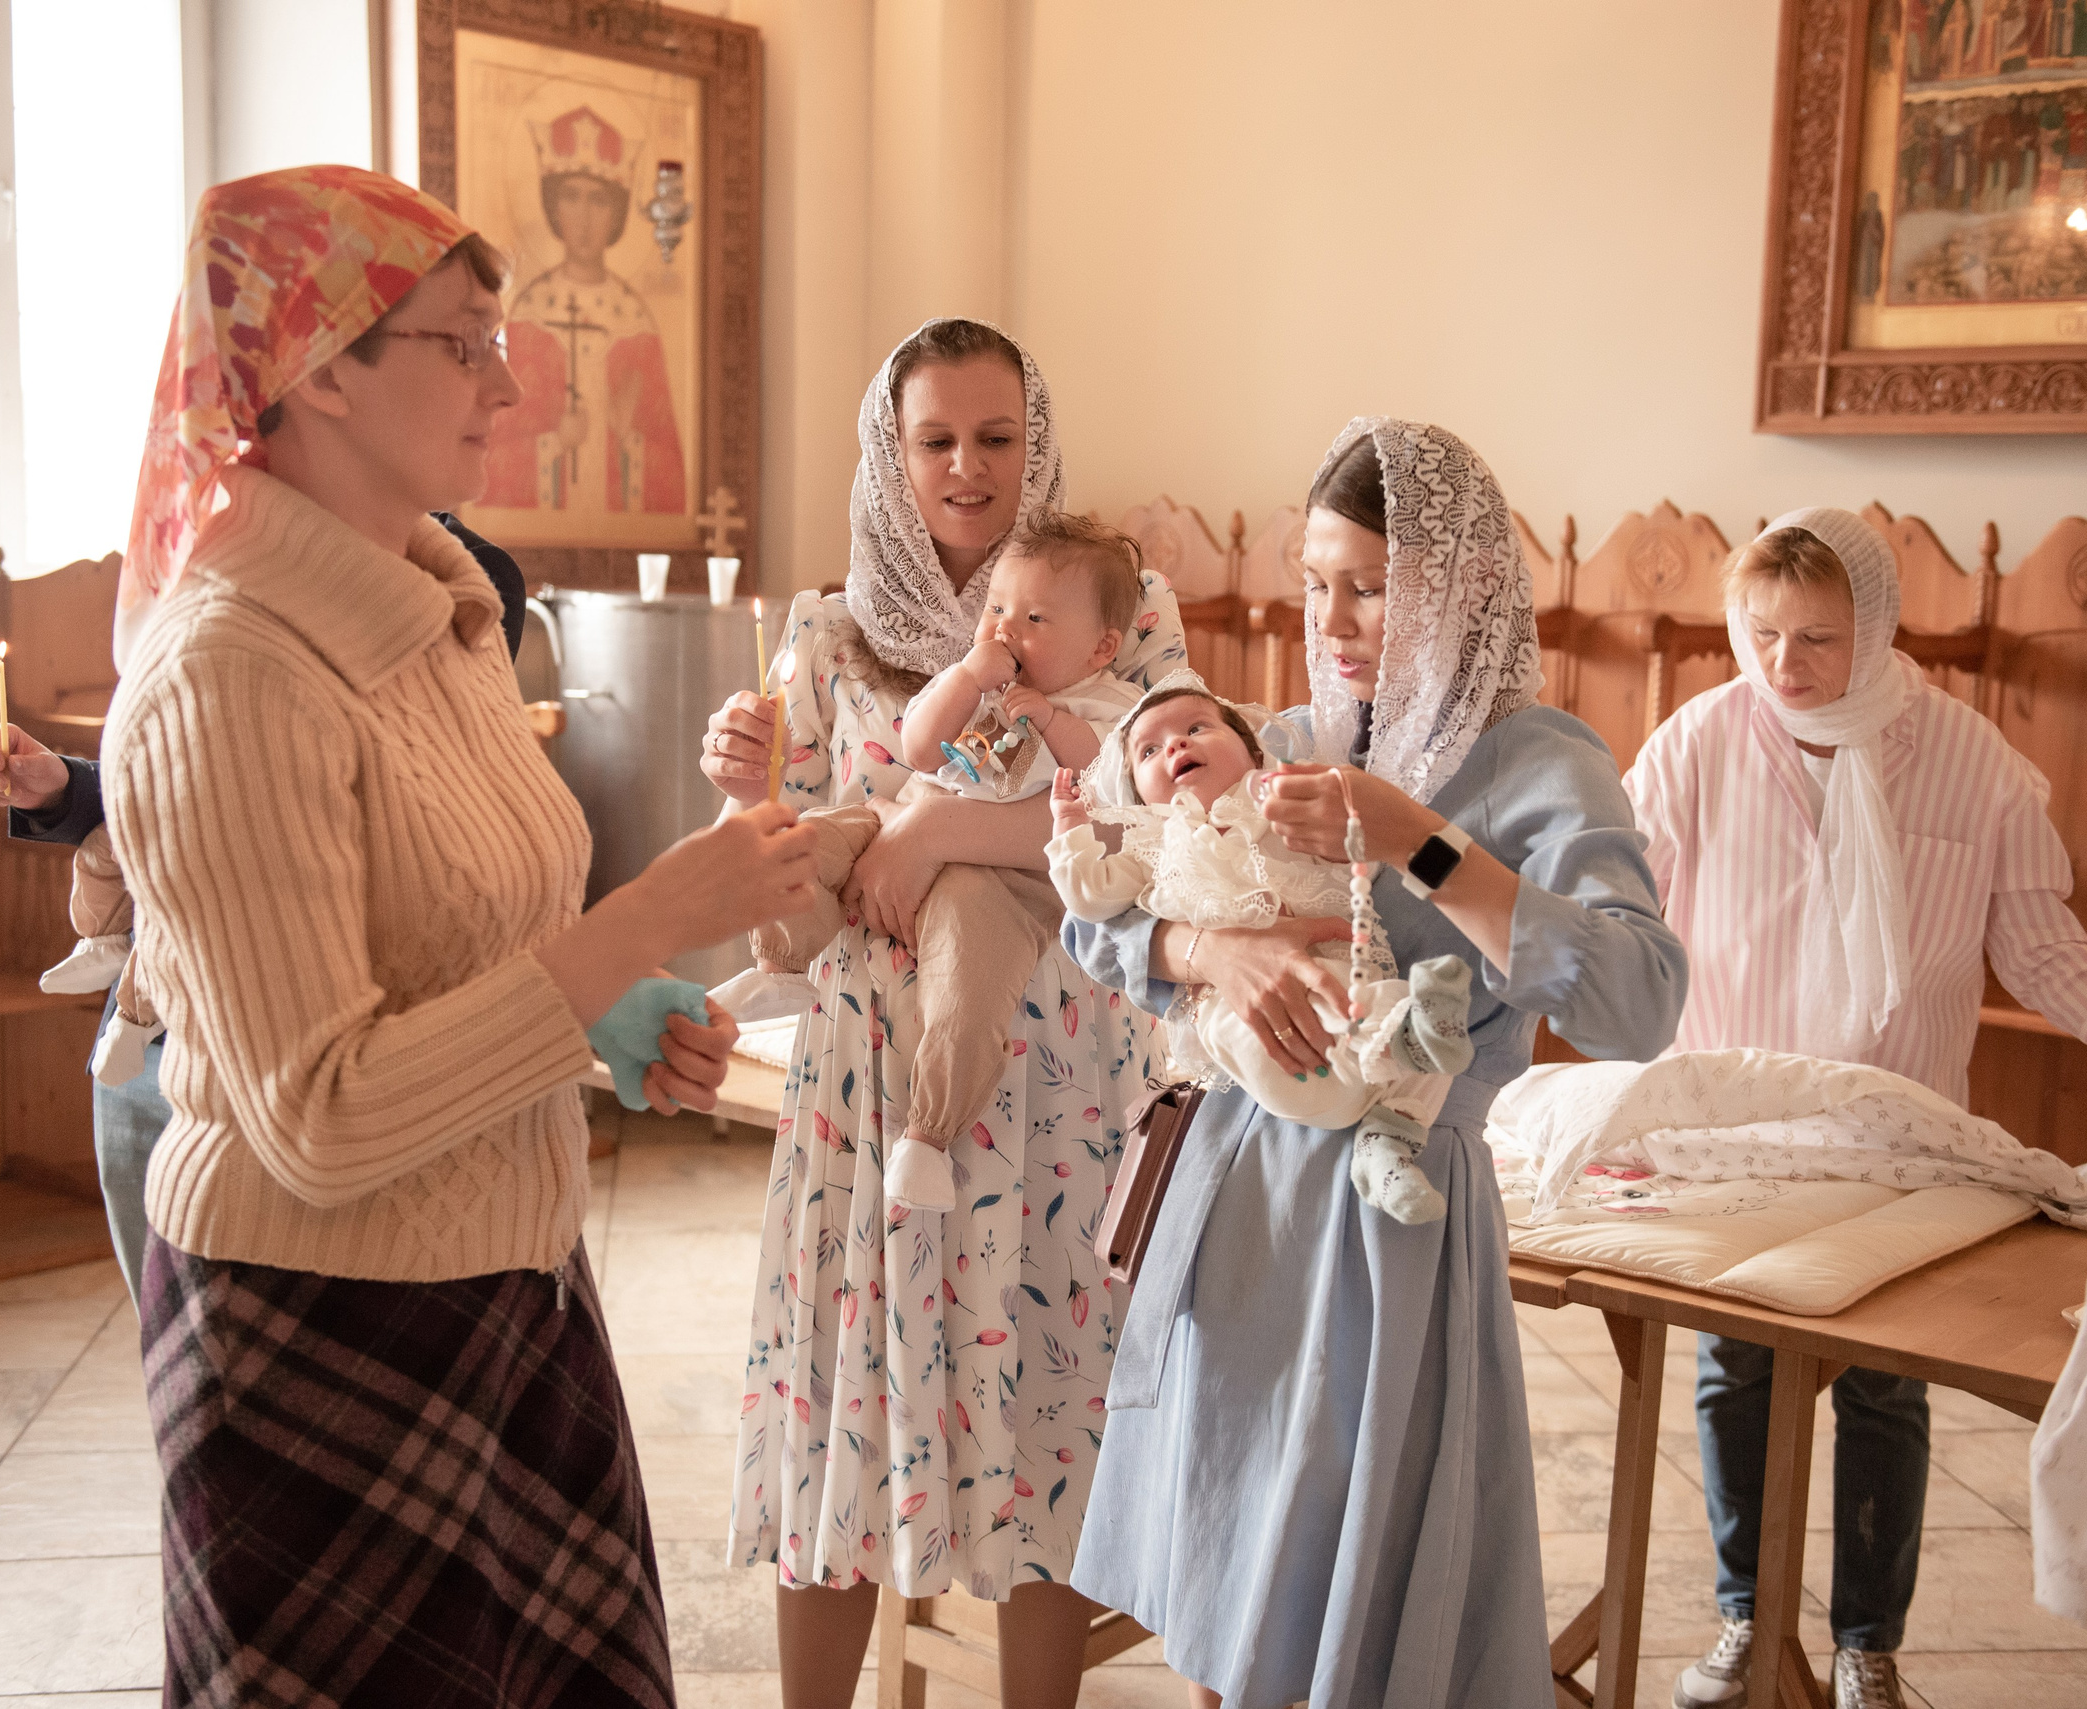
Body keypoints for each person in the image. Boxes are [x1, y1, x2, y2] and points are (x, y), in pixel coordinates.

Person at [103, 163, 816, 1707]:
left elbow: (467, 944)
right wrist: (647, 920)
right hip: (316, 1328)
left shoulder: (438, 610)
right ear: (320, 372)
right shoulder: (230, 675)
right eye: (465, 342)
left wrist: (624, 1016)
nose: (513, 386)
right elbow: (319, 1114)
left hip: (509, 1280)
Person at [1062, 418, 1688, 1709]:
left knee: (1348, 1591)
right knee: (1229, 1555)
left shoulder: (1543, 759)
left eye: (1372, 585)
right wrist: (1207, 950)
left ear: (1459, 588)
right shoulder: (1277, 731)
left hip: (1382, 1234)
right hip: (1237, 1195)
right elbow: (1097, 914)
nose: (1335, 620)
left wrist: (1417, 840)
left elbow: (1636, 999)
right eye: (1316, 581)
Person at [1624, 507, 2087, 1709]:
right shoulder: (1695, 743)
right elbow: (1622, 931)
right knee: (1734, 1372)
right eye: (1761, 632)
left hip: (1901, 1137)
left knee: (1883, 1386)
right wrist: (1615, 1101)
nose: (1784, 665)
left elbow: (2044, 950)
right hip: (1737, 1136)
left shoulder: (1968, 758)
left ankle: (1865, 1644)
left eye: (1818, 638)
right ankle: (1745, 1621)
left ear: (1880, 628)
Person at [696, 317, 1186, 1709]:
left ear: (1039, 446)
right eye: (938, 439)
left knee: (1043, 1400)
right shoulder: (823, 629)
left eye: (999, 436)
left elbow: (1151, 828)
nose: (970, 467)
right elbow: (788, 884)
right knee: (843, 1392)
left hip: (1057, 1061)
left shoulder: (1125, 605)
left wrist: (937, 833)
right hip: (869, 1069)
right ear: (890, 453)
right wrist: (748, 793)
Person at [0, 511, 538, 1312]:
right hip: (151, 1036)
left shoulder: (467, 577)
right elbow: (182, 770)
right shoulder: (213, 538)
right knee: (171, 1344)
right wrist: (60, 786)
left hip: (296, 1062)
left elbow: (367, 798)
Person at [748, 511, 1142, 1212]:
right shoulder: (979, 684)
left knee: (969, 986)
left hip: (1001, 884)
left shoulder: (1115, 707)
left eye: (1034, 618)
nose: (1004, 629)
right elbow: (920, 747)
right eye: (996, 608)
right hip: (896, 821)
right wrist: (967, 676)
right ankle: (778, 962)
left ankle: (929, 1136)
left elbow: (1114, 790)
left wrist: (1050, 720)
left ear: (1101, 646)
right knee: (814, 839)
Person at [1047, 675, 1476, 1223]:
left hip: (1334, 965)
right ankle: (1391, 1056)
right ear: (1136, 794)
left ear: (1252, 751)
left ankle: (1389, 1136)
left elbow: (1369, 857)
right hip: (1230, 1006)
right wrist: (1069, 828)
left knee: (1417, 1022)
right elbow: (1087, 911)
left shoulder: (1289, 801)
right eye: (1149, 750)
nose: (1176, 745)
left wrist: (1374, 830)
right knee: (1264, 1049)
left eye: (1197, 728)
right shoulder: (1149, 849)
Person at [486, 102, 685, 514]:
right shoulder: (527, 315)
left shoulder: (636, 323)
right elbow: (489, 458)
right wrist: (556, 440)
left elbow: (673, 470)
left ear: (616, 213)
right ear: (553, 207)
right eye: (571, 197)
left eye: (599, 200)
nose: (584, 216)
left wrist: (628, 434)